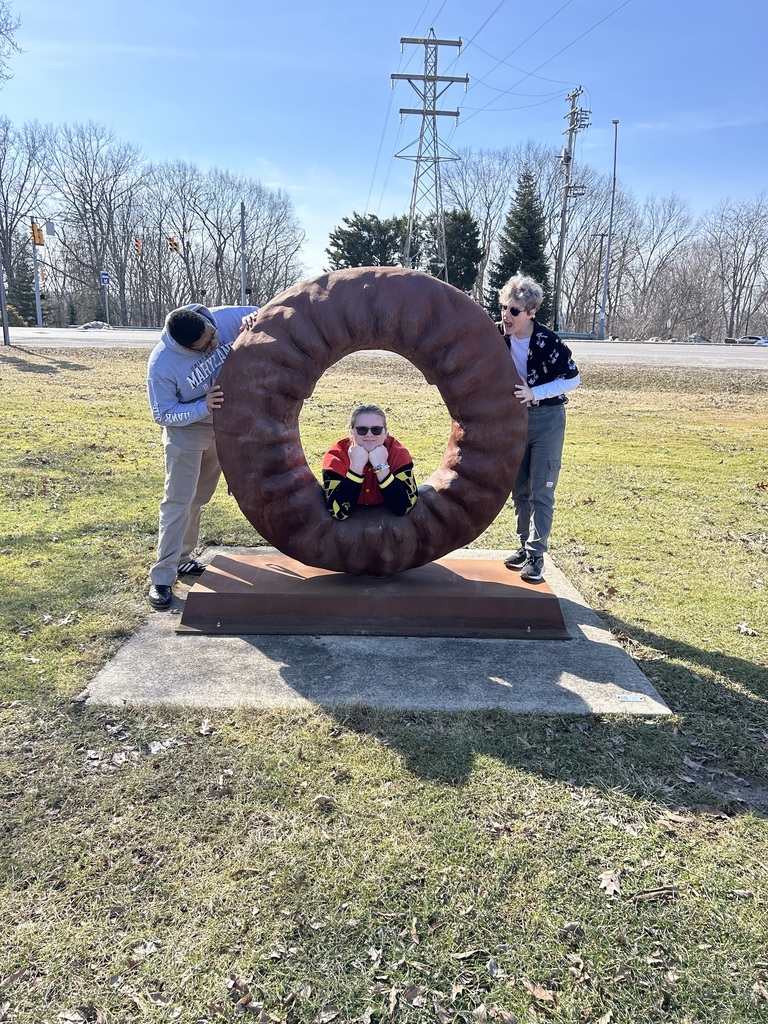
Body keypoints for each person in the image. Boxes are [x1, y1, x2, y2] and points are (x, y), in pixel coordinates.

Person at [146, 302, 259, 609]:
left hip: (222, 426)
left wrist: (257, 317)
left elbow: (272, 310)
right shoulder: (162, 364)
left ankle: (183, 558)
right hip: (188, 430)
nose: (214, 344)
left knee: (200, 498)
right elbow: (162, 413)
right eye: (205, 346)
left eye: (213, 336)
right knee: (178, 501)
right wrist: (202, 406)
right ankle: (163, 577)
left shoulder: (224, 318)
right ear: (184, 346)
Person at [498, 275, 580, 583]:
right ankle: (523, 545)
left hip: (546, 419)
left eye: (515, 310)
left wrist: (535, 392)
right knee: (518, 487)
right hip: (515, 421)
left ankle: (536, 554)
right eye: (504, 307)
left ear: (531, 312)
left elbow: (573, 379)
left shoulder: (548, 341)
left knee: (541, 489)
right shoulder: (497, 336)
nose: (507, 315)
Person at [322, 403, 418, 520]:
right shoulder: (335, 457)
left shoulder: (399, 454)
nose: (369, 434)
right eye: (362, 429)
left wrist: (381, 467)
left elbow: (404, 506)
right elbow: (338, 512)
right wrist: (356, 467)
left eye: (376, 430)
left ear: (385, 432)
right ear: (351, 432)